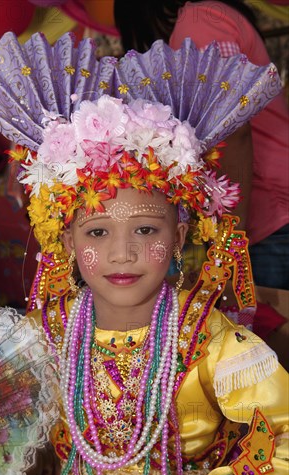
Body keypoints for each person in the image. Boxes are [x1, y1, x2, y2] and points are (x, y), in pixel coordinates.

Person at [0, 33, 288, 475]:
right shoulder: (44, 338)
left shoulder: (211, 342)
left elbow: (282, 430)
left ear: (180, 236)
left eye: (146, 230)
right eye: (98, 232)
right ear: (65, 240)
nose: (121, 254)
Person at [114, 0, 289, 291]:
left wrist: (228, 249)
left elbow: (232, 131)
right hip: (269, 207)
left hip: (266, 212)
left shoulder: (199, 22)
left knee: (260, 329)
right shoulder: (211, 16)